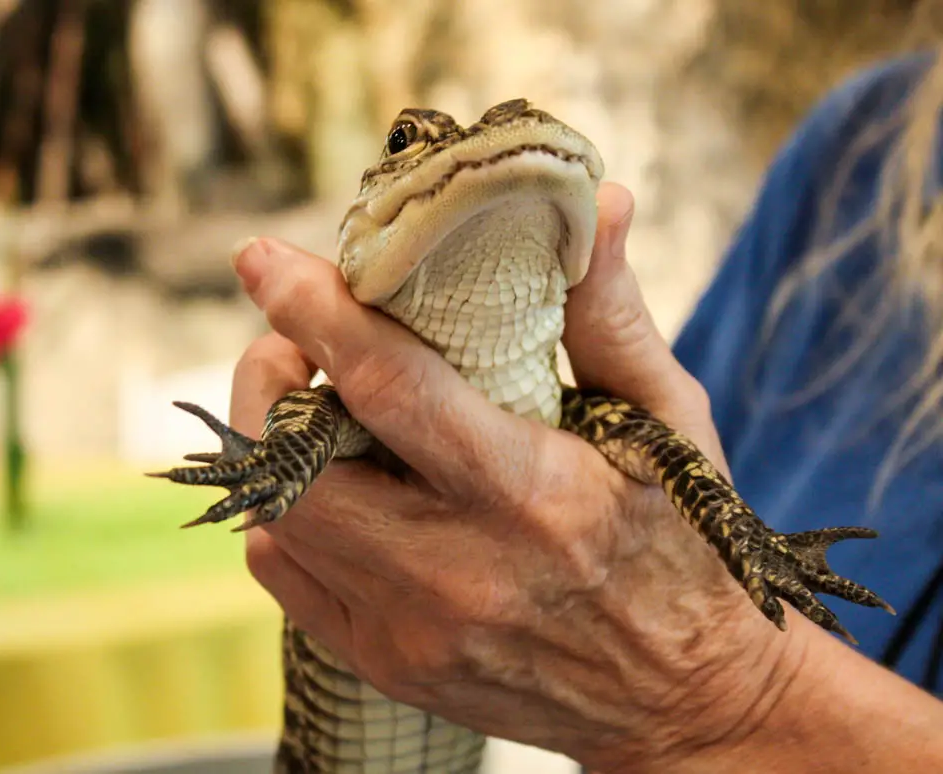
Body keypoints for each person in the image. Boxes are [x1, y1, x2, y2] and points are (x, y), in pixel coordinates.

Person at [222, 50, 943, 774]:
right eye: (408, 143)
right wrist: (281, 466)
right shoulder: (863, 141)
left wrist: (731, 690)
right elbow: (663, 464)